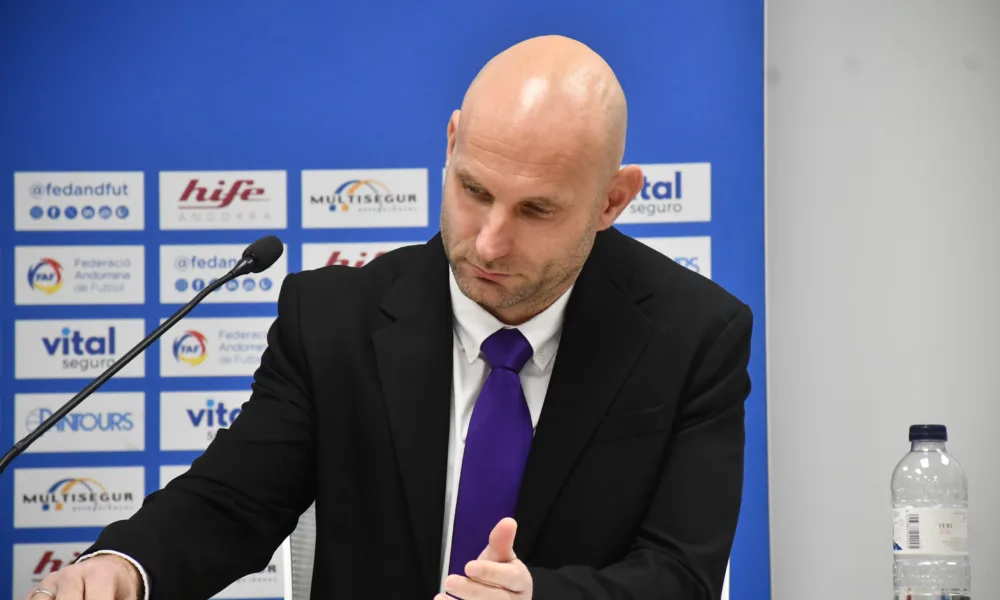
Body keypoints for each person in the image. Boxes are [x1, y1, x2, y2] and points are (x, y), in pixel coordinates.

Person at [25, 34, 753, 600]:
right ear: (451, 143)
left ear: (612, 201)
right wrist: (124, 564)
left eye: (536, 210)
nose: (489, 242)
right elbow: (234, 501)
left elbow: (680, 573)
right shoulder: (331, 322)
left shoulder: (694, 337)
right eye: (473, 190)